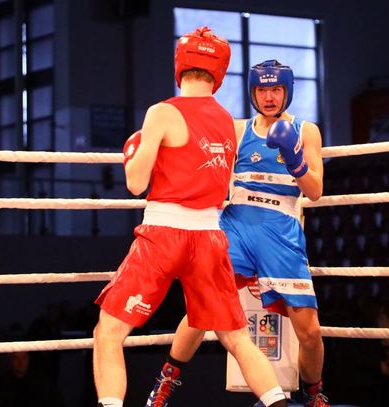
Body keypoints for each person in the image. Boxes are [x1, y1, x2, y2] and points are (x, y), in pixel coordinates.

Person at [92, 27, 288, 407]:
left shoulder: (162, 112)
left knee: (109, 333)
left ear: (179, 65)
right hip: (210, 238)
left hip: (164, 234)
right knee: (237, 339)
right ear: (220, 72)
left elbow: (135, 183)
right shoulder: (229, 123)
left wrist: (135, 152)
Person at [147, 60, 328, 407]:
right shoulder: (237, 129)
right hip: (236, 224)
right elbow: (208, 168)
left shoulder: (306, 131)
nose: (269, 97)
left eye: (276, 89)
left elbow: (315, 190)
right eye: (262, 90)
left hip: (281, 228)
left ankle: (314, 393)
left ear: (287, 91)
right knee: (202, 308)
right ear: (252, 93)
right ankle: (164, 384)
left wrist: (295, 159)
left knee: (309, 331)